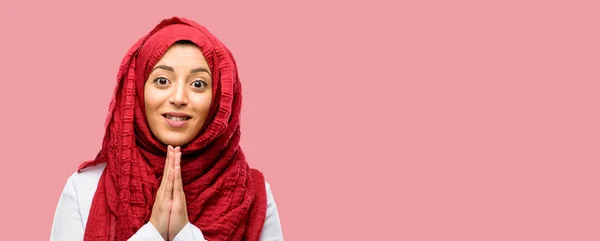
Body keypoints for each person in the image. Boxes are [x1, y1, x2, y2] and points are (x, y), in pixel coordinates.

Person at [49, 16, 283, 241]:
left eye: (198, 84)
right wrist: (153, 233)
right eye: (162, 81)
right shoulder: (83, 189)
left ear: (220, 99)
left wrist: (184, 233)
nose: (179, 97)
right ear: (137, 89)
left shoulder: (252, 195)